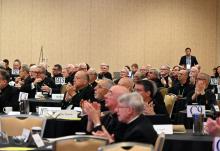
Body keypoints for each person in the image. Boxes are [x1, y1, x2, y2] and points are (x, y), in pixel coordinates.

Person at [92, 92, 158, 145]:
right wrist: (111, 140)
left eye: (119, 107)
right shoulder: (140, 120)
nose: (116, 110)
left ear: (129, 110)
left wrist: (109, 141)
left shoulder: (138, 132)